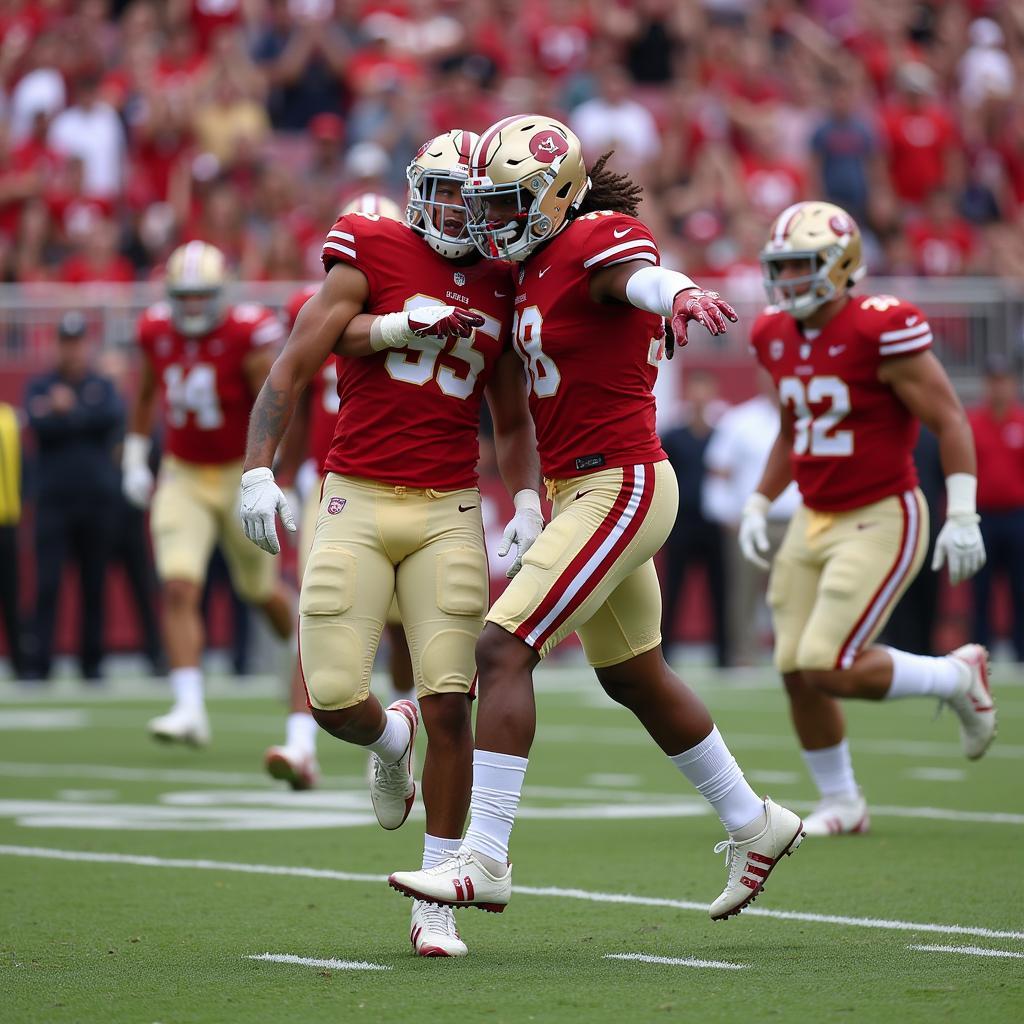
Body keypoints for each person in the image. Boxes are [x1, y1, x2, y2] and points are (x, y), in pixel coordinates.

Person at [388, 115, 804, 924]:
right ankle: (756, 822)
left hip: (623, 484)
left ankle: (487, 857)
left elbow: (641, 275)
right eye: (487, 204)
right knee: (633, 675)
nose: (490, 221)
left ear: (556, 198)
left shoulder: (592, 239)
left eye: (508, 204)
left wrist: (679, 290)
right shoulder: (527, 266)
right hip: (579, 490)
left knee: (502, 649)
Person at [238, 131, 542, 958]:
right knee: (335, 697)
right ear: (417, 191)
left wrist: (523, 496)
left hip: (447, 506)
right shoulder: (369, 245)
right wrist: (258, 470)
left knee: (452, 700)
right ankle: (387, 739)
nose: (455, 210)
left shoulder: (502, 280)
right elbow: (298, 358)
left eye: (470, 198)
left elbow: (511, 415)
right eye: (441, 191)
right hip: (357, 495)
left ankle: (434, 901)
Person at [738, 200, 995, 838]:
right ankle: (845, 803)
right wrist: (761, 499)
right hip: (814, 514)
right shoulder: (771, 331)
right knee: (795, 670)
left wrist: (961, 510)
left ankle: (956, 675)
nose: (788, 281)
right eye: (782, 267)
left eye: (803, 266)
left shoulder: (881, 326)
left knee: (827, 662)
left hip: (882, 510)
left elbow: (949, 419)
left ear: (842, 265)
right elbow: (795, 426)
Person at [262, 191, 417, 791]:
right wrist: (289, 468)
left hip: (410, 481)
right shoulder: (311, 307)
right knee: (317, 610)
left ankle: (402, 728)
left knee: (406, 623)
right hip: (334, 478)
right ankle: (302, 744)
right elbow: (294, 388)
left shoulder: (421, 305)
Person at [122, 241, 294, 745]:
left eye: (203, 296)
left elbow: (272, 400)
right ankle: (189, 706)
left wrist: (268, 471)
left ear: (221, 294)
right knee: (179, 585)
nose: (193, 306)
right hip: (184, 474)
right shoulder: (155, 329)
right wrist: (135, 455)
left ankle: (294, 662)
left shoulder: (246, 332)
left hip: (239, 473)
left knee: (261, 593)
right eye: (185, 296)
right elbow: (147, 392)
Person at [24, 312, 123, 681]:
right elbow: (39, 425)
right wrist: (78, 417)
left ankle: (92, 662)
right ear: (58, 346)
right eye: (66, 343)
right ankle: (40, 664)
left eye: (77, 342)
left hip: (96, 501)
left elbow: (109, 419)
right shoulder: (41, 385)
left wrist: (70, 411)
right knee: (47, 583)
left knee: (93, 583)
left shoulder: (101, 384)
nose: (72, 350)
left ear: (86, 345)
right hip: (53, 501)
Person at [704, 369, 801, 666]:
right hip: (750, 519)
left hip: (796, 519)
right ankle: (745, 654)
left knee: (795, 590)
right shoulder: (739, 420)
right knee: (743, 590)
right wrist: (724, 514)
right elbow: (719, 471)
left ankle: (793, 654)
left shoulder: (806, 420)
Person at [659, 371, 729, 667]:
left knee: (720, 591)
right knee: (673, 590)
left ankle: (724, 655)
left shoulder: (722, 435)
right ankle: (664, 653)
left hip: (713, 523)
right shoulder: (673, 435)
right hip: (681, 523)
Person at [967, 355, 1024, 662]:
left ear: (1013, 384)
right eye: (993, 381)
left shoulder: (1021, 421)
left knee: (1021, 587)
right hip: (982, 516)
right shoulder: (972, 422)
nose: (998, 387)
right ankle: (979, 653)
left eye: (1003, 381)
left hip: (1018, 516)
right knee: (981, 590)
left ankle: (1021, 653)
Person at [0, 399, 24, 678]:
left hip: (7, 519)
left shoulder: (8, 416)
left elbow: (24, 464)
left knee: (12, 596)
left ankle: (20, 664)